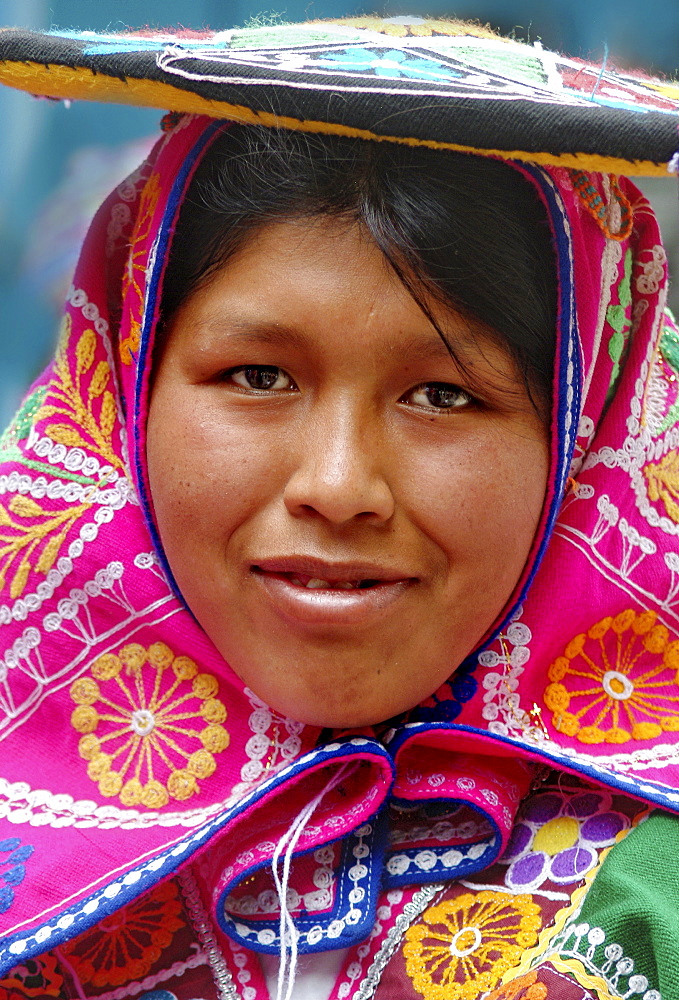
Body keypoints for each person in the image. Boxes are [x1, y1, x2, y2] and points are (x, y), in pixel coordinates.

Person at [1, 15, 679, 1000]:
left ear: (589, 443)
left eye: (442, 395)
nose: (335, 484)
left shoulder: (644, 906)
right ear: (124, 393)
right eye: (258, 374)